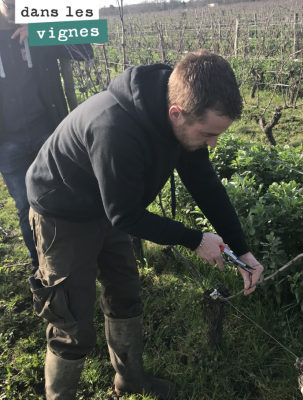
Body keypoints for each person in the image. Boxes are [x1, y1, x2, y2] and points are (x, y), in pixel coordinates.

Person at [26, 50, 264, 399]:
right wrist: (195, 239)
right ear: (176, 114)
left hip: (112, 205)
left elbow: (206, 186)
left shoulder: (182, 112)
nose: (212, 143)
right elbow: (124, 216)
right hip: (63, 213)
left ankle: (130, 380)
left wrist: (242, 250)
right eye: (208, 134)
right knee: (72, 321)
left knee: (125, 295)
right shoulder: (114, 129)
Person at [0, 0, 93, 272]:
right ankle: (40, 264)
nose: (16, 7)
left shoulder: (40, 31)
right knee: (23, 206)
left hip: (47, 132)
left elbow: (87, 44)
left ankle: (73, 259)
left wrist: (43, 30)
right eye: (9, 3)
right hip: (6, 142)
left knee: (63, 195)